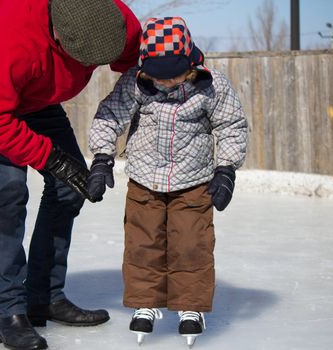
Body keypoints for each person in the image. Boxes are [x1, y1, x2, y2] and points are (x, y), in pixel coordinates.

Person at [0, 0, 142, 349]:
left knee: (68, 189)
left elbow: (142, 63)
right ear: (59, 38)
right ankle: (8, 312)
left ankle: (45, 296)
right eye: (84, 62)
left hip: (35, 92)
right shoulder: (16, 39)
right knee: (9, 185)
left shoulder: (113, 20)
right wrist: (52, 159)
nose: (89, 69)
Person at [87, 16, 248, 347]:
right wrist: (102, 159)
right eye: (158, 77)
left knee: (191, 245)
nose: (166, 83)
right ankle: (146, 304)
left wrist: (226, 169)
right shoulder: (135, 82)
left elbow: (231, 125)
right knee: (142, 245)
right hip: (144, 181)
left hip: (194, 183)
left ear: (190, 62)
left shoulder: (211, 85)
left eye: (173, 74)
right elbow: (109, 117)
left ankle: (190, 307)